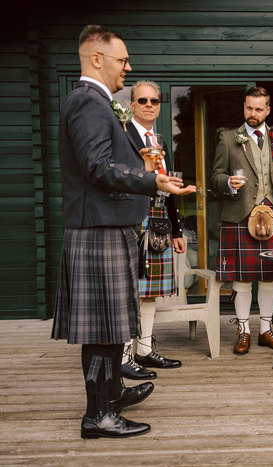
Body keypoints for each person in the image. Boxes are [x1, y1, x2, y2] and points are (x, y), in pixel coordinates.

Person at [51, 25, 195, 439]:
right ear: (97, 59)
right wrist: (152, 182)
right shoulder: (88, 102)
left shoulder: (98, 102)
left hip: (108, 227)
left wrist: (149, 177)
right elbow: (97, 168)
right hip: (98, 230)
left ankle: (111, 393)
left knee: (113, 325)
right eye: (123, 60)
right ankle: (98, 415)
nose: (128, 68)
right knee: (102, 329)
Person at [211, 86, 273, 355]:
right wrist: (227, 181)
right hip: (239, 216)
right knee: (241, 279)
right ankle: (243, 331)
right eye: (249, 108)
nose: (253, 113)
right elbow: (215, 175)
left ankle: (265, 330)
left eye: (259, 109)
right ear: (244, 107)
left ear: (268, 110)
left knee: (269, 277)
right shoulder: (228, 139)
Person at [121, 80, 184, 380]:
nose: (149, 105)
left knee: (148, 294)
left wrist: (176, 230)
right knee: (126, 290)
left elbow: (167, 187)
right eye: (142, 100)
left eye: (154, 101)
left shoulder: (159, 141)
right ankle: (123, 355)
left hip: (158, 219)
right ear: (132, 104)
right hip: (131, 219)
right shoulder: (122, 136)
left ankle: (144, 349)